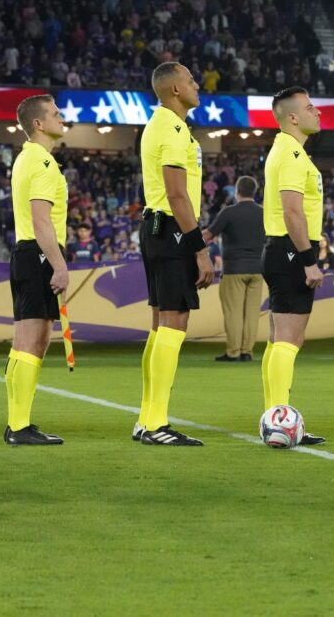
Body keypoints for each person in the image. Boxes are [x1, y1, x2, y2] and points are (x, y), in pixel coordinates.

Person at [135, 62, 213, 446]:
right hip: (171, 230)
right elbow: (177, 193)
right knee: (173, 323)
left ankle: (146, 419)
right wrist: (200, 249)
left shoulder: (164, 125)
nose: (198, 85)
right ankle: (155, 424)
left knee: (160, 325)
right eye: (191, 80)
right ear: (175, 90)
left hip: (158, 228)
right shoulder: (172, 129)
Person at [259, 86, 326, 445]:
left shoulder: (289, 150)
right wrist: (308, 260)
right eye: (311, 107)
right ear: (293, 117)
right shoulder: (290, 153)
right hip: (290, 250)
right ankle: (278, 421)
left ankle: (275, 417)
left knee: (279, 340)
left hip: (284, 249)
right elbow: (292, 211)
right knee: (289, 339)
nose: (318, 112)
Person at [3, 94, 69, 446]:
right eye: (55, 114)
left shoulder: (26, 157)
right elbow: (42, 220)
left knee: (22, 343)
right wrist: (59, 265)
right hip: (38, 253)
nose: (62, 118)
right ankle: (19, 426)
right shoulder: (42, 162)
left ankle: (16, 422)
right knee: (35, 341)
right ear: (39, 123)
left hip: (26, 253)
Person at [203, 175, 265, 362]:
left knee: (234, 313)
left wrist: (188, 240)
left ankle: (233, 352)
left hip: (234, 270)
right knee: (252, 314)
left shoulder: (229, 213)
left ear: (237, 192)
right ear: (254, 192)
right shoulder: (264, 213)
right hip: (257, 270)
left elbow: (208, 235)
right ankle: (247, 351)